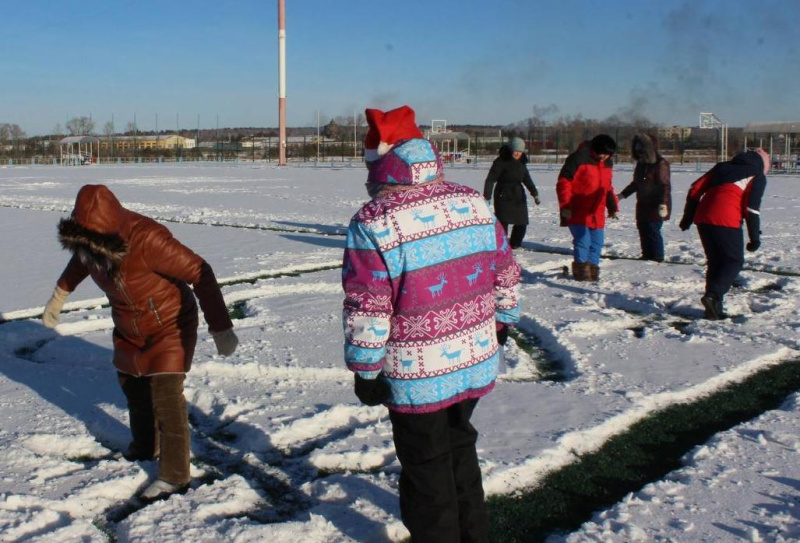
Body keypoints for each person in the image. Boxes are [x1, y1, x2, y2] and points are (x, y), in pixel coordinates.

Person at [342, 105, 521, 542]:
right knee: (460, 446)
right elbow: (507, 270)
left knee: (426, 467)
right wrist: (504, 320)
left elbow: (368, 304)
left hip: (416, 371)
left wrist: (365, 369)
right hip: (475, 356)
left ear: (379, 164)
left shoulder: (374, 221)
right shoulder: (472, 201)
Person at [42, 184, 239, 501]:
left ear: (108, 235)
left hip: (169, 324)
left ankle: (175, 476)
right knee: (133, 386)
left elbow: (201, 271)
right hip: (128, 325)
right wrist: (60, 294)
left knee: (166, 398)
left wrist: (221, 328)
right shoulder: (91, 245)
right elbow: (81, 261)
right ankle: (145, 448)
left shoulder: (148, 239)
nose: (88, 252)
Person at [679, 148, 770, 320]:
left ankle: (713, 308)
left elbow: (694, 189)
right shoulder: (757, 175)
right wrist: (754, 237)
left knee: (716, 261)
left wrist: (688, 217)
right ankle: (713, 296)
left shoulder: (722, 167)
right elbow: (751, 208)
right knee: (734, 260)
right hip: (726, 218)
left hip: (703, 216)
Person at [556, 134, 619, 281]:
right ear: (595, 150)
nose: (605, 157)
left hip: (597, 212)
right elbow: (563, 183)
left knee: (597, 243)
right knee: (583, 240)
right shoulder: (577, 159)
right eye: (603, 154)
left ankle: (592, 273)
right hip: (577, 209)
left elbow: (607, 187)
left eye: (608, 155)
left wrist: (612, 205)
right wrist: (565, 205)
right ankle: (581, 274)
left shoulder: (607, 163)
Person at [619, 134, 672, 262]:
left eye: (641, 147)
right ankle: (647, 255)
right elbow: (637, 183)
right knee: (643, 229)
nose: (638, 150)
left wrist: (663, 204)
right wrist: (622, 194)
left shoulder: (660, 163)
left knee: (653, 230)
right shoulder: (641, 164)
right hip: (642, 204)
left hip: (656, 205)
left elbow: (664, 185)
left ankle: (657, 256)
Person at [483, 136, 541, 249]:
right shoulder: (500, 161)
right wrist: (487, 196)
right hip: (503, 194)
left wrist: (535, 193)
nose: (518, 154)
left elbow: (527, 179)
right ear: (511, 150)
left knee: (522, 221)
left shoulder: (522, 163)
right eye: (516, 151)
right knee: (503, 221)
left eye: (520, 152)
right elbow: (490, 179)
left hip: (518, 195)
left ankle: (515, 243)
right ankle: (501, 244)